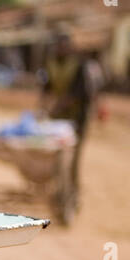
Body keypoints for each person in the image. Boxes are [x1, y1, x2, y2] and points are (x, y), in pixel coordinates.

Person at [44, 33, 93, 199]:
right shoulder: (51, 63)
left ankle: (72, 192)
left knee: (72, 158)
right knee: (55, 155)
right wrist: (44, 108)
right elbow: (47, 88)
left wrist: (57, 107)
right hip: (59, 120)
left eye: (63, 46)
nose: (60, 49)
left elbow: (80, 93)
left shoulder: (79, 66)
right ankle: (58, 189)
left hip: (78, 118)